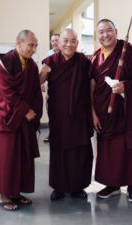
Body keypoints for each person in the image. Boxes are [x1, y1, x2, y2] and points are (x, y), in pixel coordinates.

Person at [90, 19, 132, 203]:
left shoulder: (129, 51)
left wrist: (127, 86)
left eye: (109, 30)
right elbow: (91, 89)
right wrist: (93, 114)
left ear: (116, 31)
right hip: (105, 112)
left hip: (128, 110)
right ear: (97, 35)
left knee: (130, 146)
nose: (105, 35)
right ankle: (112, 184)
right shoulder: (95, 57)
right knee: (109, 150)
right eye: (101, 32)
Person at [0, 30, 43, 211]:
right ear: (18, 43)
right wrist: (25, 110)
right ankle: (4, 195)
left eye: (35, 45)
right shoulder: (2, 64)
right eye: (30, 45)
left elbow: (36, 91)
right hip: (8, 117)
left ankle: (17, 192)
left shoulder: (32, 66)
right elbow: (6, 93)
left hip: (25, 119)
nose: (34, 49)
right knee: (7, 158)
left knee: (22, 157)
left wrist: (35, 111)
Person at [40, 29, 93, 201]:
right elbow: (37, 81)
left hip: (79, 114)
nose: (68, 44)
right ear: (58, 43)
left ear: (77, 43)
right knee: (59, 150)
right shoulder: (51, 62)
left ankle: (78, 186)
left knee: (79, 150)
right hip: (59, 115)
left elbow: (94, 84)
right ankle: (59, 187)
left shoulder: (84, 62)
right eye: (65, 40)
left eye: (72, 41)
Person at [42, 33, 60, 143]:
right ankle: (51, 133)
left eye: (57, 40)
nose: (54, 42)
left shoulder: (65, 53)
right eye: (52, 41)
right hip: (52, 88)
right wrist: (42, 83)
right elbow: (44, 72)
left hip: (64, 89)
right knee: (51, 111)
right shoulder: (48, 55)